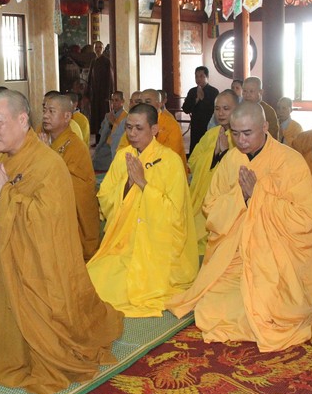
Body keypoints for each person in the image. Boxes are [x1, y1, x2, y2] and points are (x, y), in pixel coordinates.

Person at [0, 90, 123, 394]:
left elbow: (47, 223)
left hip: (37, 273)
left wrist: (5, 193)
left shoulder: (48, 164)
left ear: (22, 120)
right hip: (2, 266)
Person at [167, 102, 312, 351]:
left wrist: (257, 195)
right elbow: (211, 208)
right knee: (208, 308)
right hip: (237, 254)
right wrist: (241, 196)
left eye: (247, 133)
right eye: (235, 133)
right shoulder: (231, 159)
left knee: (267, 312)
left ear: (265, 126)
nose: (241, 140)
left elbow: (305, 219)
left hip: (275, 259)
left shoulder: (290, 162)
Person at [88, 103, 199, 317]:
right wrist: (127, 186)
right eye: (129, 127)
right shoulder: (123, 156)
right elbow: (105, 197)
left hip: (157, 245)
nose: (132, 133)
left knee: (124, 289)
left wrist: (143, 184)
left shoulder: (170, 161)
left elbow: (175, 214)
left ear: (154, 130)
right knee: (91, 278)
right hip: (124, 240)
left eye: (139, 128)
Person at [40, 93, 100, 261]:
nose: (45, 116)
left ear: (67, 117)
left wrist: (47, 156)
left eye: (51, 111)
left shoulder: (76, 146)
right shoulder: (42, 138)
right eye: (44, 110)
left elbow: (77, 186)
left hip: (71, 214)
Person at [188, 89, 239, 254]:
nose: (221, 113)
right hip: (202, 196)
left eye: (226, 108)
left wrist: (224, 153)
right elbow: (193, 161)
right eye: (217, 109)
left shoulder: (242, 137)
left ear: (237, 109)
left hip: (224, 201)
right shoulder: (211, 134)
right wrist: (214, 154)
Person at [117, 89, 188, 172]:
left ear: (159, 104)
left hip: (166, 170)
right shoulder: (134, 123)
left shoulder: (171, 125)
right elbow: (122, 149)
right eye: (140, 102)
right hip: (136, 167)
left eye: (147, 102)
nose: (143, 105)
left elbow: (172, 155)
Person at [181, 66, 219, 154]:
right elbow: (186, 109)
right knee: (195, 147)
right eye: (196, 76)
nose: (198, 79)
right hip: (196, 125)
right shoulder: (192, 91)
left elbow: (214, 109)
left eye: (201, 76)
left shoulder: (214, 91)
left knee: (207, 149)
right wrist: (196, 100)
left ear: (207, 77)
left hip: (209, 124)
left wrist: (203, 99)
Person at [92, 91, 127, 172]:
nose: (114, 103)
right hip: (106, 144)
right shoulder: (108, 115)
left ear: (122, 101)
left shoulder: (126, 116)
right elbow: (102, 132)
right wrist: (107, 123)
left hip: (117, 147)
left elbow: (122, 134)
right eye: (112, 100)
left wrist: (113, 123)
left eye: (116, 100)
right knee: (95, 159)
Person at [88, 40, 114, 135]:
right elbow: (90, 78)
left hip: (103, 94)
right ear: (94, 49)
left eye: (100, 47)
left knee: (103, 116)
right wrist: (88, 92)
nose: (98, 49)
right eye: (96, 47)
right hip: (95, 94)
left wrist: (108, 95)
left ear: (103, 49)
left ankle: (105, 138)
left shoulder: (106, 61)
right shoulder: (93, 61)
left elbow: (110, 79)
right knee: (95, 117)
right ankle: (97, 138)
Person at [109, 90, 142, 160]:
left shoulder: (148, 123)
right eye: (131, 101)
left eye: (137, 102)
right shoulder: (125, 121)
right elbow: (115, 141)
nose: (133, 105)